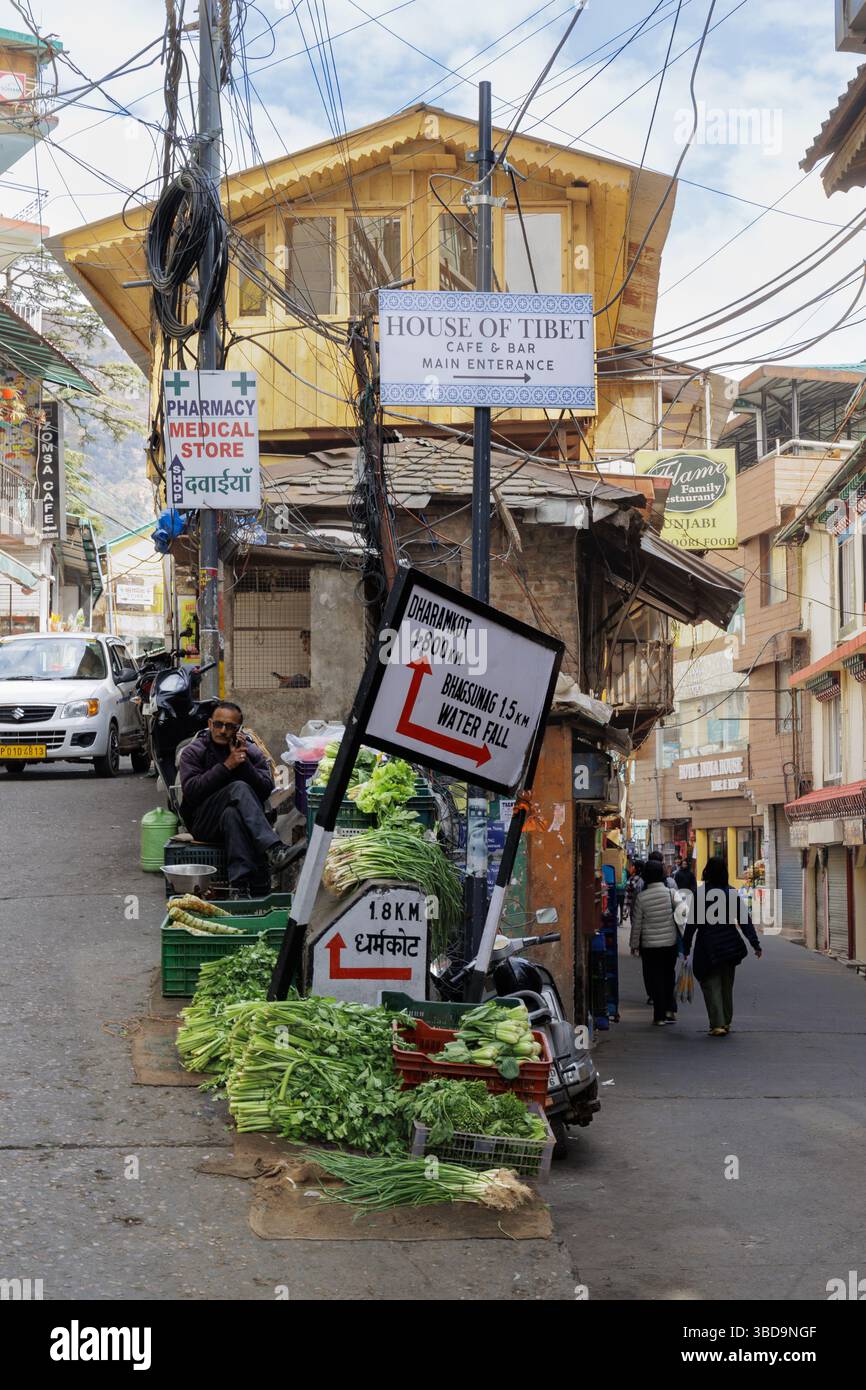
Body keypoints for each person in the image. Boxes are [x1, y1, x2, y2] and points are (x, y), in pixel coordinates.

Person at [178, 701, 295, 896]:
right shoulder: (194, 751)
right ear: (209, 724)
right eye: (218, 724)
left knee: (232, 814)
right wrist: (227, 766)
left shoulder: (249, 751)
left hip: (237, 824)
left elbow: (266, 789)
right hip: (204, 824)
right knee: (238, 788)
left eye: (229, 726)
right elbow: (191, 792)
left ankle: (239, 887)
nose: (223, 730)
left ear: (238, 729)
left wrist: (243, 763)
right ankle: (274, 849)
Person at [682, 857, 762, 1037]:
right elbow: (745, 921)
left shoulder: (700, 894)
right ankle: (725, 1022)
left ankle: (717, 1023)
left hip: (707, 947)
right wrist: (755, 944)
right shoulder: (731, 893)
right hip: (730, 946)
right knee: (726, 985)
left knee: (711, 984)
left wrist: (686, 947)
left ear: (706, 872)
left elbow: (691, 924)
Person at [629, 860, 683, 1025]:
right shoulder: (672, 893)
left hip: (650, 946)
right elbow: (682, 916)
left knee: (655, 978)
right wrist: (683, 938)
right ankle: (670, 1011)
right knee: (668, 976)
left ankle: (659, 1016)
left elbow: (636, 924)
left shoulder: (642, 897)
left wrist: (634, 945)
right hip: (669, 943)